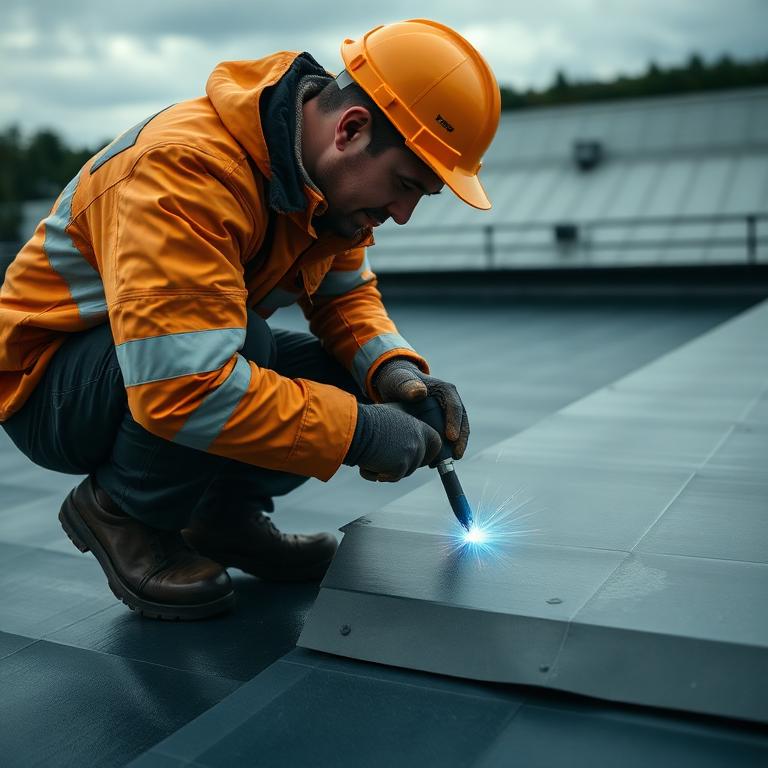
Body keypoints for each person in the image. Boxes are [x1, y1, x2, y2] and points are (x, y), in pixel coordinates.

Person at [0, 19, 500, 620]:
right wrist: (361, 434)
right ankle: (121, 512)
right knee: (246, 344)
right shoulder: (186, 170)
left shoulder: (324, 188)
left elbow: (346, 297)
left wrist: (394, 374)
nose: (402, 213)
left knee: (342, 377)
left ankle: (223, 519)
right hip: (52, 388)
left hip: (148, 363)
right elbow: (182, 388)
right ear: (351, 129)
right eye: (405, 185)